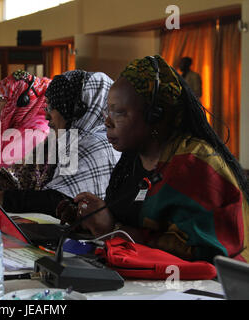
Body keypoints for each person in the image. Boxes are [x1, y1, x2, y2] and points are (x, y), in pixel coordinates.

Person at [67, 55, 248, 263]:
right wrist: (90, 218)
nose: (107, 121)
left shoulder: (195, 165)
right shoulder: (132, 160)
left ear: (155, 116)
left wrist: (114, 229)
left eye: (119, 113)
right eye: (108, 111)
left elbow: (205, 253)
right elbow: (125, 218)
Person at [0, 71, 121, 216]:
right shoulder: (62, 140)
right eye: (46, 107)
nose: (47, 115)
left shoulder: (96, 145)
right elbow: (21, 177)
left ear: (76, 110)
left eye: (52, 107)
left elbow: (56, 200)